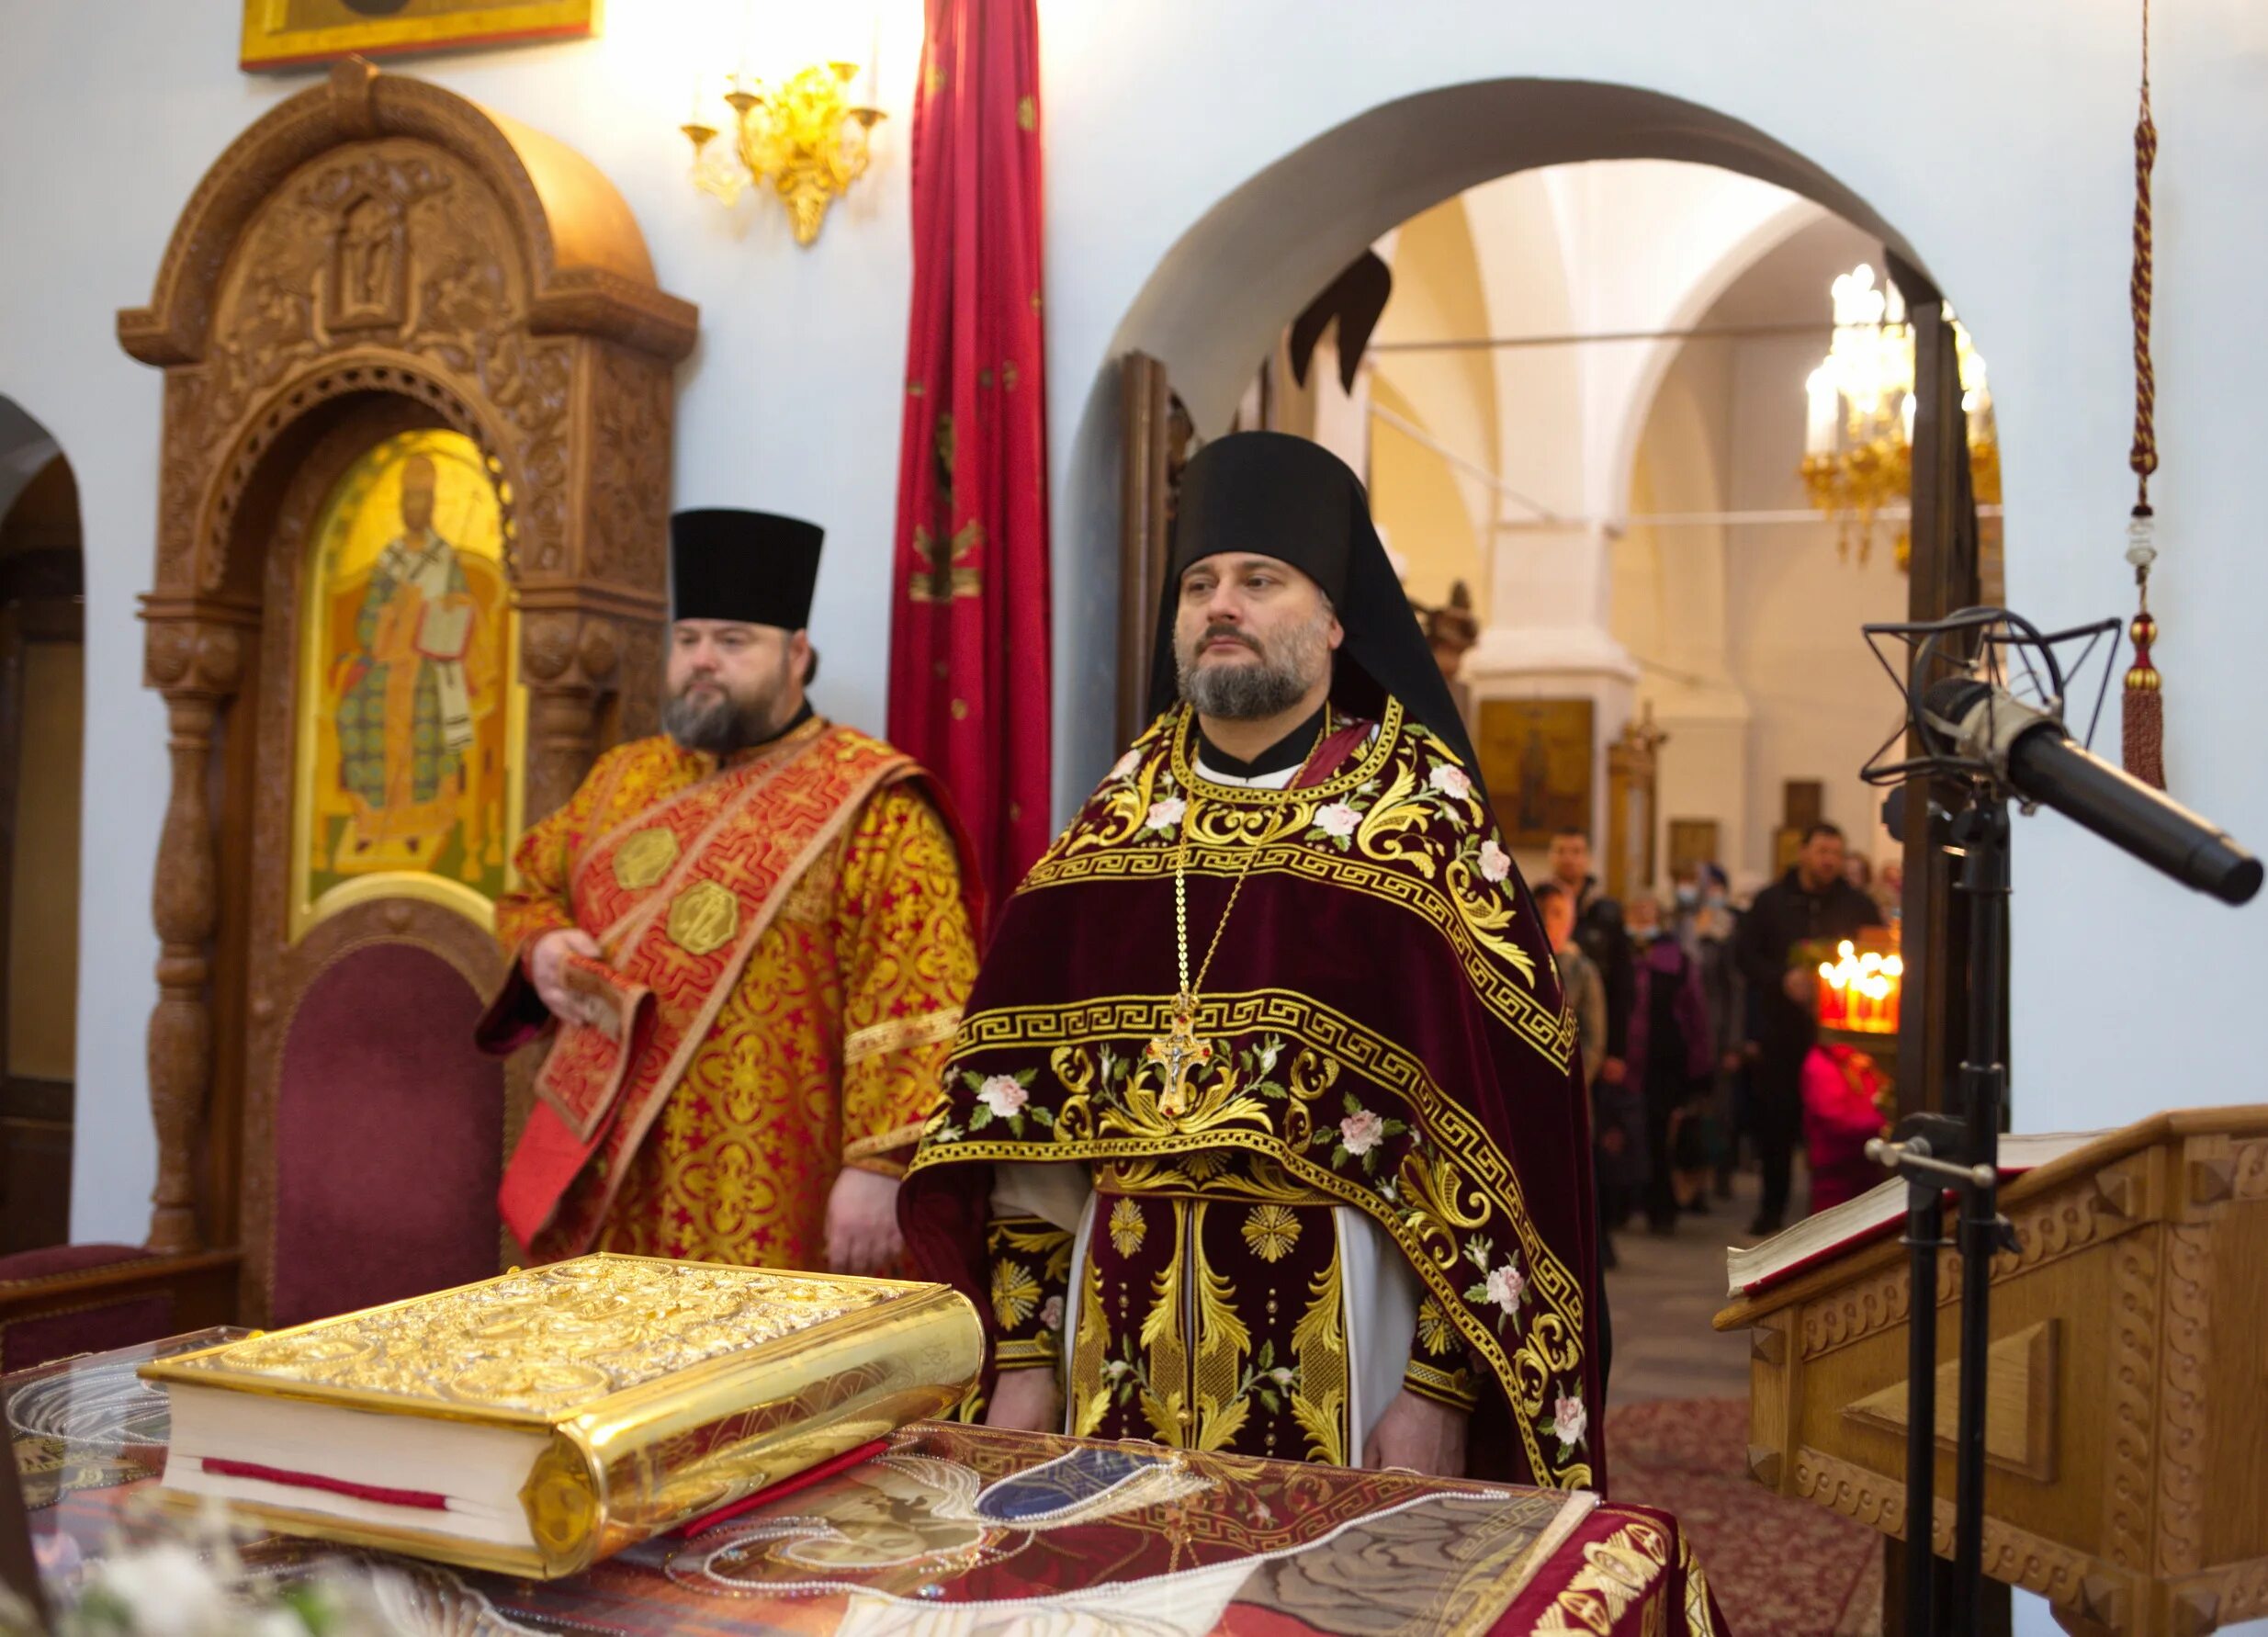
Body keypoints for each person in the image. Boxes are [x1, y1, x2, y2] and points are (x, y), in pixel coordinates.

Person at [902, 432, 1603, 1489]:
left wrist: (1437, 1396)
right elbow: (1026, 1149)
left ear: (1333, 620)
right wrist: (1025, 1365)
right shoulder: (1103, 842)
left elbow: (1498, 1165)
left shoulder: (1423, 825)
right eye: (1200, 584)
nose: (1221, 603)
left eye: (1258, 580)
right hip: (1113, 1339)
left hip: (1356, 1339)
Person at [475, 509, 980, 1274]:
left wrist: (880, 1169)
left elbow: (918, 998)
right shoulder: (621, 779)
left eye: (732, 640)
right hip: (610, 1178)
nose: (702, 660)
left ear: (797, 653)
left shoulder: (872, 805)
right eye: (688, 639)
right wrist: (541, 948)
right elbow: (530, 889)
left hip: (780, 1185)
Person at [1734, 822, 1885, 1236]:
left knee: (1834, 1126)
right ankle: (1772, 1207)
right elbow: (1745, 955)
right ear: (1802, 853)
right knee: (1776, 1123)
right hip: (1780, 1031)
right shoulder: (1770, 902)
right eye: (1821, 851)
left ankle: (1831, 1212)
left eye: (1836, 853)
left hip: (1839, 1040)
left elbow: (1878, 954)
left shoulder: (1857, 905)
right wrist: (1782, 979)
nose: (1829, 860)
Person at [1537, 881, 1622, 1270]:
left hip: (1569, 1089)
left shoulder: (1581, 970)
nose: (1547, 922)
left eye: (1556, 913)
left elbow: (1593, 1038)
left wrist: (1571, 1077)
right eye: (1540, 912)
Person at [1624, 896, 1711, 1234]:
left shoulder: (1677, 960)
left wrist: (1700, 1069)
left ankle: (1662, 1209)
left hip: (1664, 1062)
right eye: (1636, 910)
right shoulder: (1620, 953)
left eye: (1648, 911)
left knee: (1660, 1136)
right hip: (1626, 1059)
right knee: (1625, 1132)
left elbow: (1696, 1017)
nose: (1642, 917)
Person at [1545, 828, 1635, 1148]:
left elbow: (1623, 984)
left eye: (1576, 851)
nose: (1569, 859)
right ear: (1551, 856)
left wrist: (1616, 1050)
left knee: (1590, 1135)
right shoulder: (1535, 902)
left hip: (1594, 1035)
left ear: (1587, 858)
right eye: (1562, 851)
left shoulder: (1606, 912)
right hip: (1547, 1032)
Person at [1802, 1044, 1890, 1213]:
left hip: (1864, 1160)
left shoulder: (1856, 1060)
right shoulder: (1823, 1064)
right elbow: (1834, 1117)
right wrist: (1881, 1125)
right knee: (1831, 1221)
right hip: (1835, 1163)